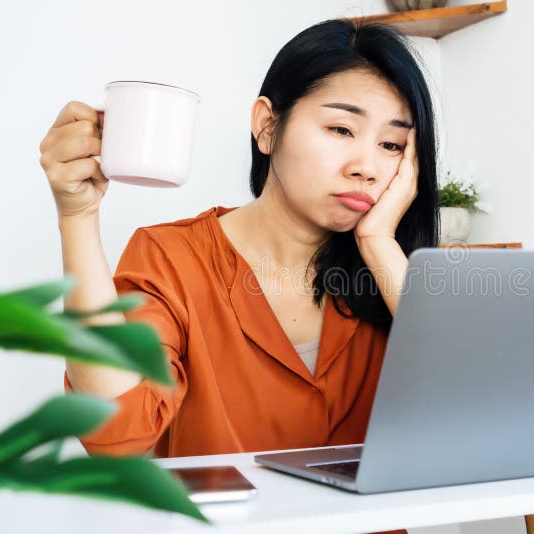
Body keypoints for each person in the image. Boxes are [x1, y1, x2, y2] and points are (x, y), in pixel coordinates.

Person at [38, 19, 438, 458]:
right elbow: (116, 434)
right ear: (267, 126)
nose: (368, 167)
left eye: (392, 144)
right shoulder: (172, 258)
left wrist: (379, 241)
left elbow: (466, 412)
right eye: (341, 130)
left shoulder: (394, 276)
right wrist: (78, 216)